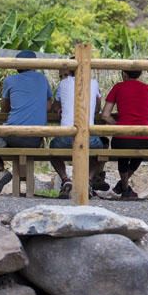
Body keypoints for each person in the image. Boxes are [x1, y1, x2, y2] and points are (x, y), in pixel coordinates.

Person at [0, 49, 52, 196]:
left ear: (17, 65)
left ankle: (1, 172)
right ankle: (21, 184)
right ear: (34, 65)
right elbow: (48, 106)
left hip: (13, 136)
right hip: (36, 139)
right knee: (16, 146)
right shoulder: (42, 79)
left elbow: (4, 108)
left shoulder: (10, 80)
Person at [100, 68, 148, 200]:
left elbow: (105, 115)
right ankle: (123, 186)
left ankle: (124, 187)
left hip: (121, 137)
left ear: (124, 74)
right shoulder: (147, 88)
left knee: (123, 154)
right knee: (139, 151)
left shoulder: (118, 87)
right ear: (140, 74)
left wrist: (117, 126)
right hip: (144, 139)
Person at [50, 66, 107, 199]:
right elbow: (97, 108)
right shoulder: (94, 83)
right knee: (101, 148)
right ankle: (88, 180)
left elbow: (54, 107)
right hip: (89, 138)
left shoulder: (63, 83)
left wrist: (59, 108)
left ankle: (65, 179)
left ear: (70, 71)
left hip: (66, 137)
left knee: (52, 148)